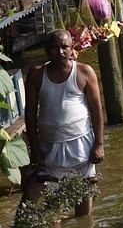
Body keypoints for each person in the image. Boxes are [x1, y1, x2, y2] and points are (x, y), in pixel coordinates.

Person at [22, 30, 104, 216]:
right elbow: (30, 113)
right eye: (54, 48)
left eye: (64, 47)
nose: (60, 52)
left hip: (81, 144)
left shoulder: (84, 72)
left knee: (83, 192)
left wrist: (99, 144)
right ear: (46, 51)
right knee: (40, 191)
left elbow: (96, 110)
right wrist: (34, 148)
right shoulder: (36, 75)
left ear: (72, 48)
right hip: (49, 146)